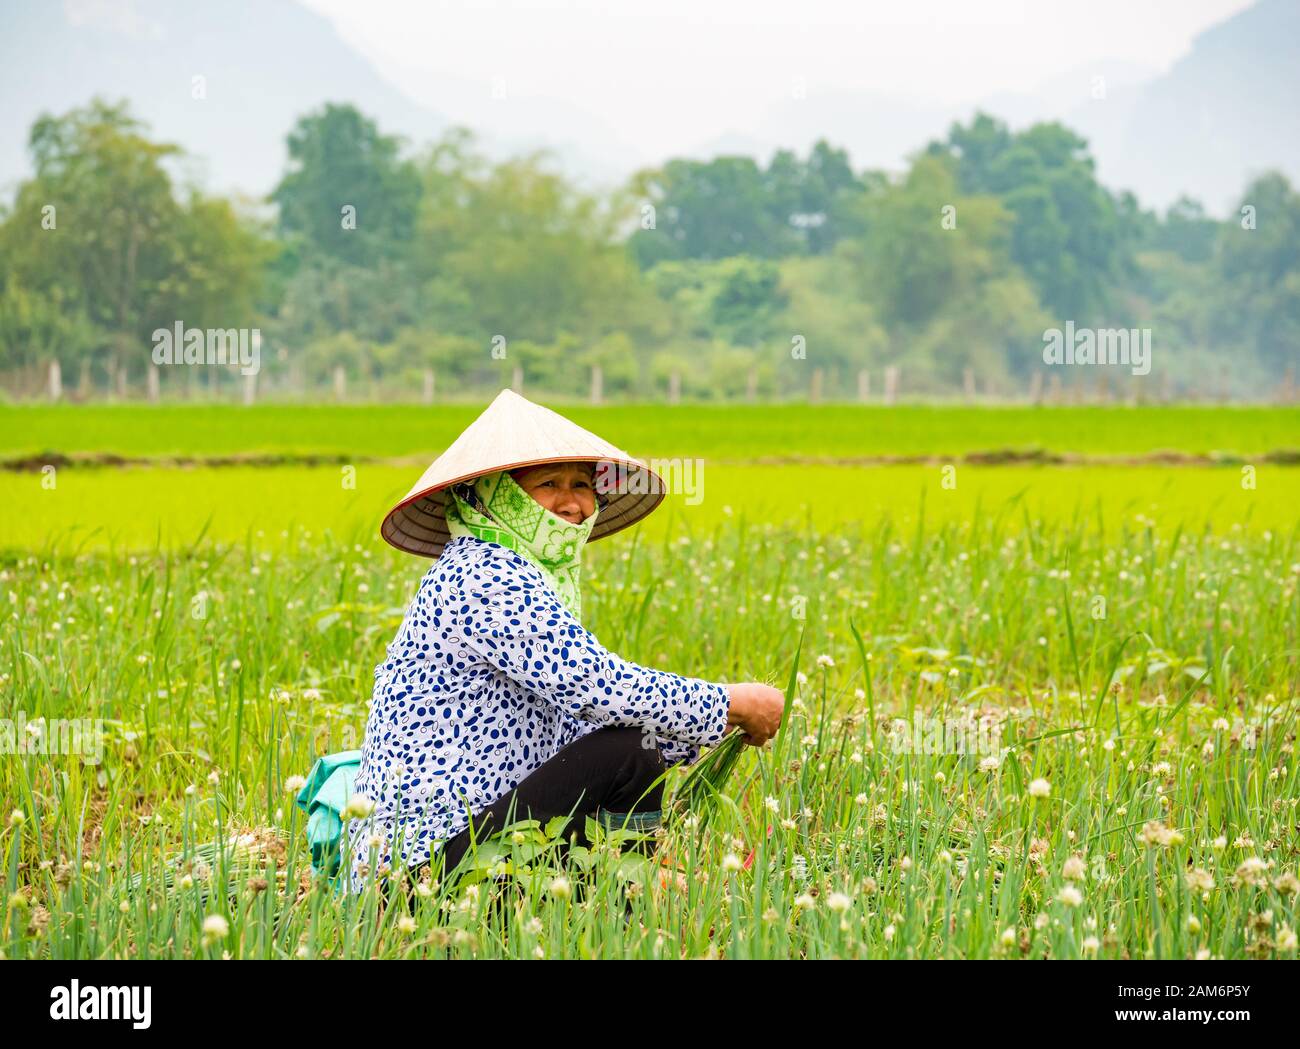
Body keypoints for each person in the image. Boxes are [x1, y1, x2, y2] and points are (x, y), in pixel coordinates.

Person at [343, 389, 783, 892]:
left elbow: (578, 728)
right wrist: (728, 704)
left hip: (475, 847)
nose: (573, 503)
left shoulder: (529, 576)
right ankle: (626, 894)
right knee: (627, 752)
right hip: (419, 874)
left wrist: (700, 732)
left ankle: (625, 886)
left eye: (581, 484)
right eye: (547, 484)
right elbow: (598, 690)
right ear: (491, 496)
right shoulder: (483, 574)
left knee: (634, 743)